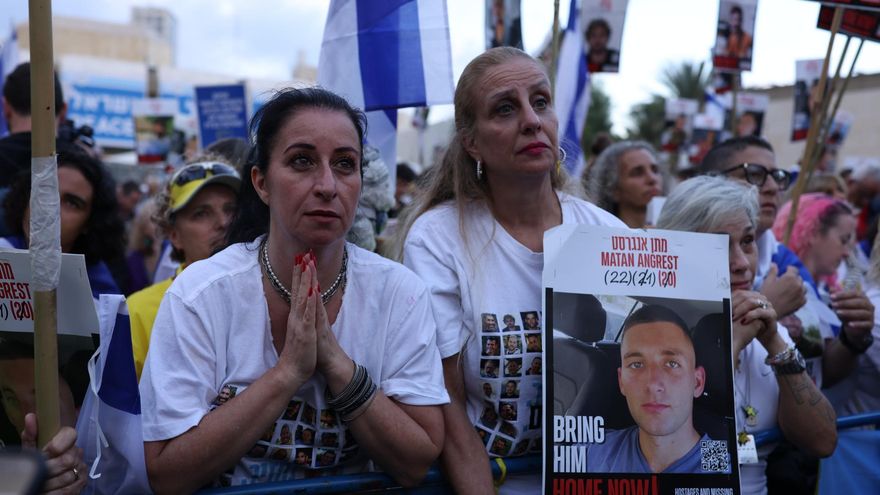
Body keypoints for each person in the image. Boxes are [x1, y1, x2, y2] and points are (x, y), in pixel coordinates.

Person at [138, 88, 447, 491]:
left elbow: (417, 461)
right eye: (301, 161)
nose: (327, 185)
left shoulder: (399, 294)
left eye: (344, 164)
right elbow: (165, 473)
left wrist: (337, 365)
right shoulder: (201, 295)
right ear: (262, 183)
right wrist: (287, 373)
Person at [395, 46, 624, 494]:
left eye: (540, 102)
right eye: (505, 108)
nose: (531, 120)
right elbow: (447, 402)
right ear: (472, 141)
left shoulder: (607, 232)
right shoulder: (439, 239)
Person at [657, 176, 837, 494]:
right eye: (720, 246)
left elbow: (822, 440)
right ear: (676, 250)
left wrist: (776, 344)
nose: (741, 263)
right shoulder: (654, 332)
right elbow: (685, 458)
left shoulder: (766, 325)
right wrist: (732, 345)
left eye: (748, 241)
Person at [127, 158, 241, 379]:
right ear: (174, 236)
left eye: (232, 210)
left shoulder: (271, 298)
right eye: (201, 213)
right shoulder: (138, 312)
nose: (224, 223)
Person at [586, 305, 717, 474]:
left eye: (672, 364)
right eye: (636, 364)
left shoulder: (721, 464)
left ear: (697, 383)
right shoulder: (592, 451)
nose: (653, 384)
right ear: (621, 382)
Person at [771, 194, 875, 388]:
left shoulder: (825, 292)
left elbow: (823, 372)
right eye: (843, 240)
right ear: (813, 232)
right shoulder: (776, 284)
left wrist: (854, 336)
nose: (846, 253)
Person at [1, 141, 125, 298]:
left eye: (72, 203)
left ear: (89, 222)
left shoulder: (102, 300)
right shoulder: (3, 251)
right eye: (45, 191)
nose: (50, 209)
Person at [590, 141, 665, 228]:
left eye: (655, 170)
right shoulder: (599, 238)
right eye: (637, 173)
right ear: (613, 189)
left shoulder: (680, 233)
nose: (652, 179)